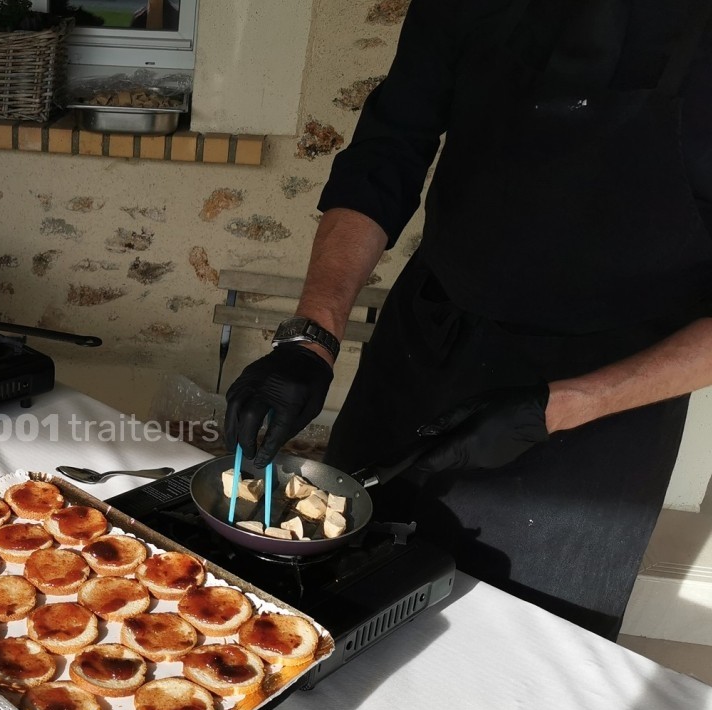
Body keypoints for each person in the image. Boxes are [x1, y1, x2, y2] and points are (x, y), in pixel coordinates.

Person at [224, 0, 712, 640]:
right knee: (322, 597)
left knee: (518, 650)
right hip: (427, 342)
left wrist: (559, 406)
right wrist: (311, 337)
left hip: (609, 398)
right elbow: (387, 153)